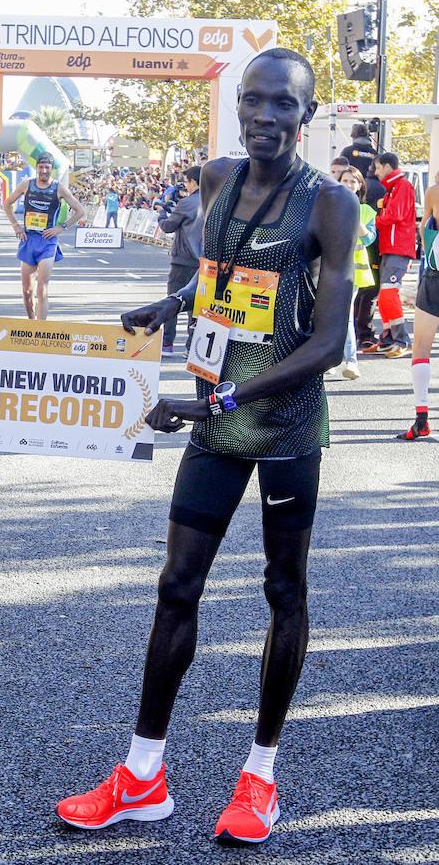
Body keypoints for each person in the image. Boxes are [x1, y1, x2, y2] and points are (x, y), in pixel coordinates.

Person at [56, 48, 358, 845]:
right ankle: (141, 775)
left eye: (282, 106)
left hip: (283, 427)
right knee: (175, 585)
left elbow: (328, 342)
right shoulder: (217, 178)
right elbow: (225, 272)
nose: (265, 117)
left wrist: (223, 397)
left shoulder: (330, 204)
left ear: (307, 115)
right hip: (213, 423)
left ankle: (260, 778)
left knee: (283, 591)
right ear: (240, 109)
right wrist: (172, 300)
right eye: (253, 102)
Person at [3, 153, 86, 320]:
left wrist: (60, 227)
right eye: (41, 167)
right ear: (37, 168)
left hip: (48, 242)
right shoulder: (27, 184)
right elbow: (7, 203)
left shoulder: (59, 187)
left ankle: (40, 329)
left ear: (52, 169)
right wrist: (16, 226)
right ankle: (32, 322)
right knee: (27, 291)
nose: (44, 171)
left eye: (47, 167)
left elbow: (80, 211)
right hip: (28, 240)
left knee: (42, 289)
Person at [397, 171, 439, 439]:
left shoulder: (435, 191)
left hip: (436, 277)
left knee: (421, 346)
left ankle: (422, 418)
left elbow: (425, 232)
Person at [363, 152, 416, 357]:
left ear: (386, 166)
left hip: (398, 249)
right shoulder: (394, 188)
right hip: (391, 248)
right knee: (385, 294)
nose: (376, 173)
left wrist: (370, 222)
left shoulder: (402, 186)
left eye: (377, 168)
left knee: (388, 292)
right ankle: (388, 339)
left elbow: (395, 215)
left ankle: (401, 340)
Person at [156, 166, 203, 355]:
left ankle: (167, 343)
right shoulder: (215, 201)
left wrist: (161, 212)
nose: (186, 187)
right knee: (197, 307)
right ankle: (192, 347)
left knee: (173, 301)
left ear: (193, 182)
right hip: (203, 263)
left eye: (187, 183)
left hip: (182, 260)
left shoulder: (187, 203)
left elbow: (168, 226)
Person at [337, 167, 377, 380]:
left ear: (360, 185)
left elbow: (369, 239)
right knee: (325, 315)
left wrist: (355, 215)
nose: (349, 185)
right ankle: (329, 358)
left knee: (344, 315)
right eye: (344, 180)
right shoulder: (328, 205)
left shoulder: (366, 211)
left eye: (353, 181)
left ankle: (351, 361)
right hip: (327, 267)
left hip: (352, 272)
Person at [354, 160, 386, 349]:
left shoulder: (372, 190)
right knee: (371, 292)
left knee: (360, 294)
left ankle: (359, 332)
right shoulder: (382, 189)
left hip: (363, 251)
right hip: (373, 249)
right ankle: (364, 332)